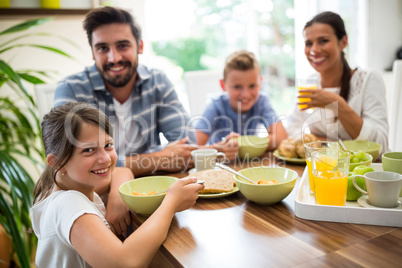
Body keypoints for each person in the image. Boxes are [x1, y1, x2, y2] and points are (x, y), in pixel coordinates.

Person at [30, 102, 204, 267]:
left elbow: (121, 171)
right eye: (88, 150)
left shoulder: (61, 187)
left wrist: (116, 196)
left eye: (108, 145)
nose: (105, 158)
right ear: (57, 162)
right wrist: (171, 203)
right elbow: (125, 262)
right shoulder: (69, 203)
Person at [54, 6, 197, 176]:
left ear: (140, 46)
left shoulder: (157, 81)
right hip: (93, 193)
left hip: (147, 186)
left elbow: (187, 146)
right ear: (93, 52)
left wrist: (120, 164)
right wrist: (157, 158)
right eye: (102, 48)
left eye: (122, 46)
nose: (114, 58)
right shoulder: (71, 88)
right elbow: (66, 159)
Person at [286, 11, 389, 153]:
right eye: (308, 43)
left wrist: (338, 105)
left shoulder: (367, 80)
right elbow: (291, 128)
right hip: (326, 170)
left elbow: (380, 145)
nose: (314, 50)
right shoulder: (310, 82)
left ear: (344, 42)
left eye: (323, 40)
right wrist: (321, 143)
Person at [194, 50, 287, 152]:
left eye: (252, 86)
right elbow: (194, 147)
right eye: (237, 87)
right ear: (223, 85)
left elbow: (281, 138)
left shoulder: (261, 101)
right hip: (221, 164)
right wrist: (219, 149)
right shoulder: (216, 105)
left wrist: (245, 143)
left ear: (260, 83)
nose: (245, 95)